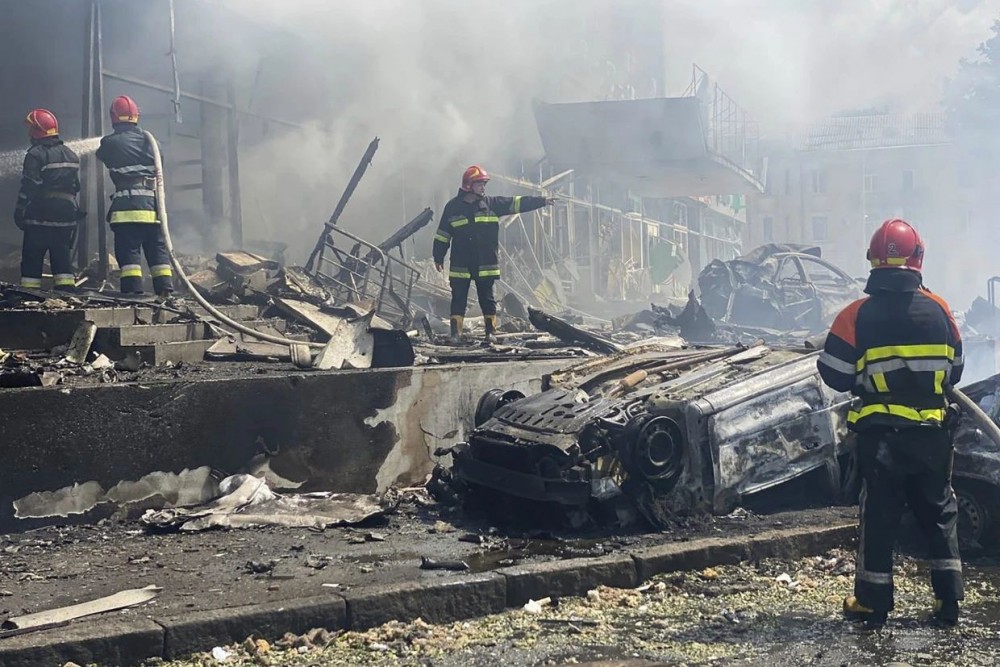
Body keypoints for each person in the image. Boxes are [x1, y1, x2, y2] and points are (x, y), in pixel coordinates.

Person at [817, 218, 964, 626]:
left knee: (879, 515)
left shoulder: (855, 315)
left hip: (881, 437)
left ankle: (873, 602)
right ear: (918, 259)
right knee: (939, 512)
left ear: (873, 260)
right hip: (931, 434)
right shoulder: (940, 309)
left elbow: (834, 374)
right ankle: (949, 601)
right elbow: (955, 370)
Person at [432, 165, 552, 341]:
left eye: (484, 184)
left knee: (487, 299)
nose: (483, 187)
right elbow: (443, 234)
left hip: (485, 263)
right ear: (468, 185)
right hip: (461, 264)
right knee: (458, 299)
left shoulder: (492, 204)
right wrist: (438, 256)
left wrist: (541, 201)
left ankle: (491, 332)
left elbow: (516, 203)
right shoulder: (452, 207)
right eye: (479, 184)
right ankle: (456, 334)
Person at [96, 95, 174, 296]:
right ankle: (165, 292)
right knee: (157, 250)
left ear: (113, 116)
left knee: (129, 252)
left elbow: (101, 155)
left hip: (127, 208)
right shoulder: (153, 143)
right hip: (153, 207)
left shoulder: (110, 142)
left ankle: (133, 294)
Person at [15, 109, 82, 290]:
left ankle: (29, 295)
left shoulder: (35, 154)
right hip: (66, 216)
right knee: (62, 257)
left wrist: (20, 210)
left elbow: (30, 186)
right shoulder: (71, 154)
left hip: (41, 215)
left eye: (31, 129)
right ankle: (66, 293)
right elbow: (76, 186)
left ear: (37, 131)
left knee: (32, 257)